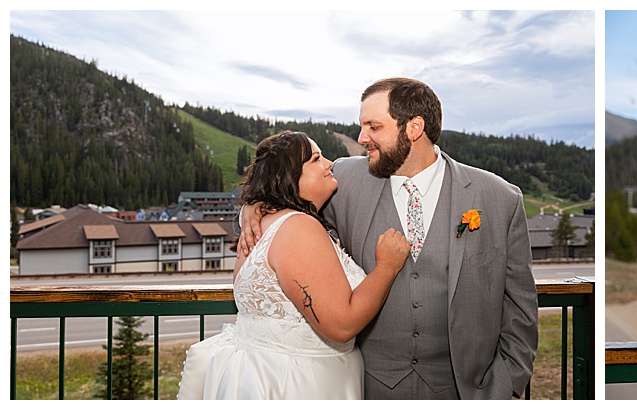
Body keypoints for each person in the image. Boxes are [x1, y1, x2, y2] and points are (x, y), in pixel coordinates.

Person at [238, 78, 538, 399]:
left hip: (465, 392)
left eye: (373, 126)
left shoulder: (499, 197)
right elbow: (279, 204)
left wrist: (503, 389)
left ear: (414, 128)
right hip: (365, 387)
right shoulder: (343, 178)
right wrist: (251, 208)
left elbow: (520, 309)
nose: (362, 138)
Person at [177, 131, 409, 399]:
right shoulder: (298, 227)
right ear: (289, 176)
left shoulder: (261, 223)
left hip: (258, 375)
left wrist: (252, 206)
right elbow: (342, 326)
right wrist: (387, 267)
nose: (329, 164)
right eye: (316, 159)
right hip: (296, 382)